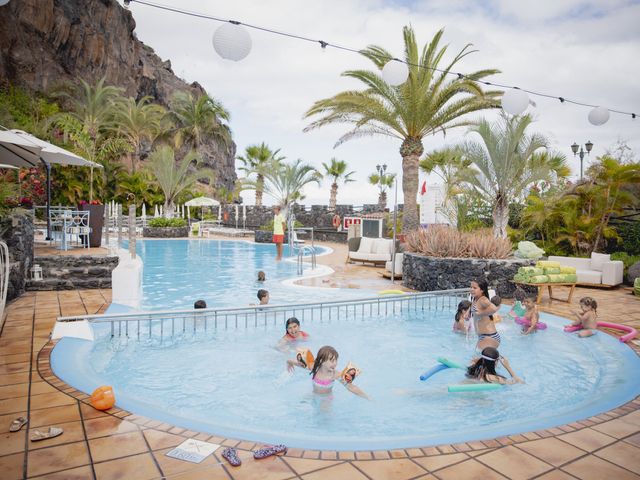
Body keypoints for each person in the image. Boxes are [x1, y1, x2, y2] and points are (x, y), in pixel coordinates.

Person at [287, 345, 369, 399]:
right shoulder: (314, 368)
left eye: (336, 360)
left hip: (326, 399)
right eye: (331, 361)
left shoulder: (334, 374)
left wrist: (366, 397)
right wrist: (289, 362)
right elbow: (300, 364)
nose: (335, 363)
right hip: (314, 394)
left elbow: (351, 387)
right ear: (322, 361)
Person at [470, 279, 501, 351]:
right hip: (483, 336)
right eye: (471, 287)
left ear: (482, 290)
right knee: (480, 359)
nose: (471, 289)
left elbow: (494, 308)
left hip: (489, 336)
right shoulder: (475, 299)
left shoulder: (483, 299)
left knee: (479, 359)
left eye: (474, 288)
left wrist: (481, 313)